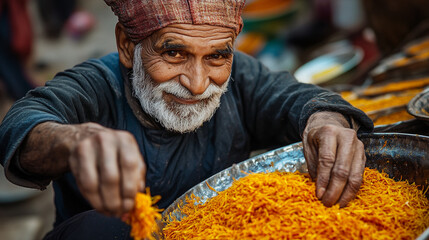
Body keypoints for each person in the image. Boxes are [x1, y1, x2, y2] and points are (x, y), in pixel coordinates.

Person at [0, 0, 373, 239]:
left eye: (215, 57)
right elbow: (22, 124)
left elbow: (297, 98)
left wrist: (326, 121)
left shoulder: (241, 77)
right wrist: (74, 141)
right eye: (174, 53)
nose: (197, 84)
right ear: (129, 47)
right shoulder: (97, 85)